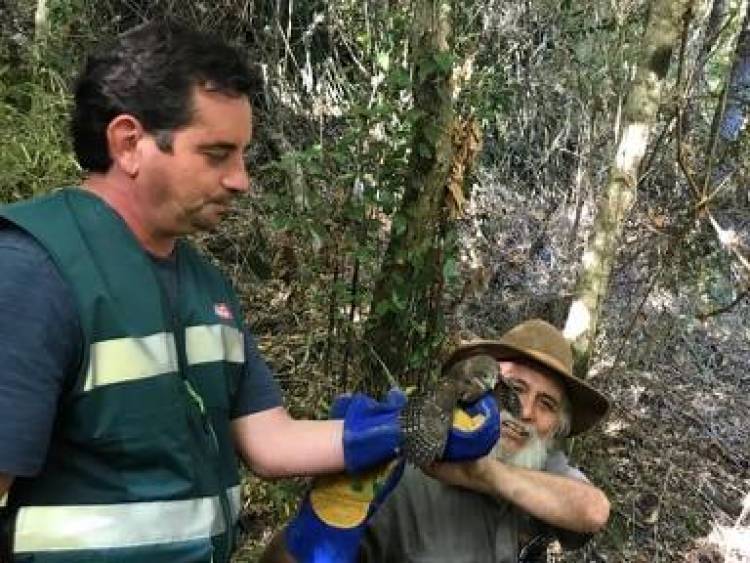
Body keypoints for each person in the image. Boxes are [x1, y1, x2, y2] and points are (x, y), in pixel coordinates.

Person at [0, 21, 500, 563]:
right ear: (129, 143)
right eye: (217, 154)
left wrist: (402, 428)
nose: (241, 179)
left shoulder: (205, 286)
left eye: (242, 155)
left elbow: (270, 441)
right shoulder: (35, 268)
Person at [359, 319, 612, 562]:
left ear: (557, 426)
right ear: (477, 386)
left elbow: (594, 510)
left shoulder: (543, 465)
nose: (525, 411)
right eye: (516, 387)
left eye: (546, 404)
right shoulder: (411, 457)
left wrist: (481, 473)